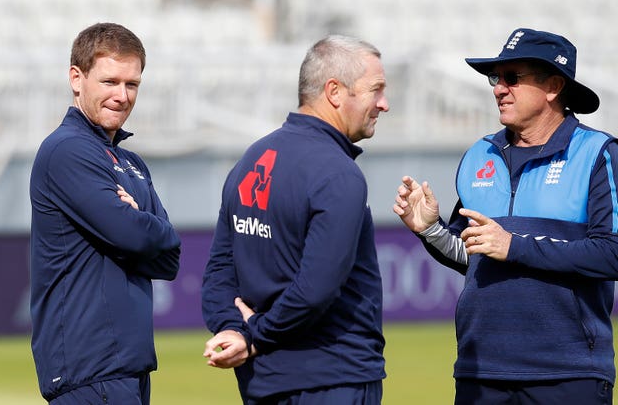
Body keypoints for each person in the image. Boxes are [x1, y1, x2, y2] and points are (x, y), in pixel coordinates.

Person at [394, 27, 617, 404]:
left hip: (568, 372)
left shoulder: (597, 153)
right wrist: (430, 230)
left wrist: (515, 246)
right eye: (496, 78)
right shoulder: (478, 155)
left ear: (553, 86)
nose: (498, 88)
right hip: (480, 371)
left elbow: (611, 252)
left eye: (512, 78)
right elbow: (473, 254)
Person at [202, 35, 389, 404]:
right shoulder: (338, 175)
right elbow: (315, 289)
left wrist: (233, 329)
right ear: (334, 91)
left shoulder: (250, 160)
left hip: (263, 383)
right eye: (376, 90)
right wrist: (252, 335)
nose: (384, 104)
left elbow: (218, 273)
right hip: (334, 378)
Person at [29, 22, 181, 404]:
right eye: (110, 81)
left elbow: (169, 259)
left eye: (132, 84)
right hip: (88, 368)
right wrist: (149, 228)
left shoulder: (131, 162)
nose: (122, 95)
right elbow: (136, 236)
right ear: (76, 79)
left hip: (127, 367)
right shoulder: (67, 150)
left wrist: (145, 226)